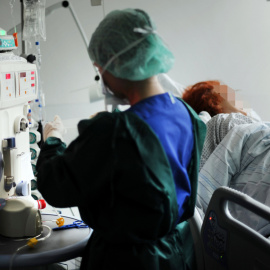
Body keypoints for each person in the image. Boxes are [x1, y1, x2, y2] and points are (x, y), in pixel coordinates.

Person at [36, 9, 206, 270]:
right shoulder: (188, 115)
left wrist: (52, 140)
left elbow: (55, 186)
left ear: (117, 63)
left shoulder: (116, 131)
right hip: (176, 255)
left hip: (126, 261)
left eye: (100, 68)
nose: (101, 78)